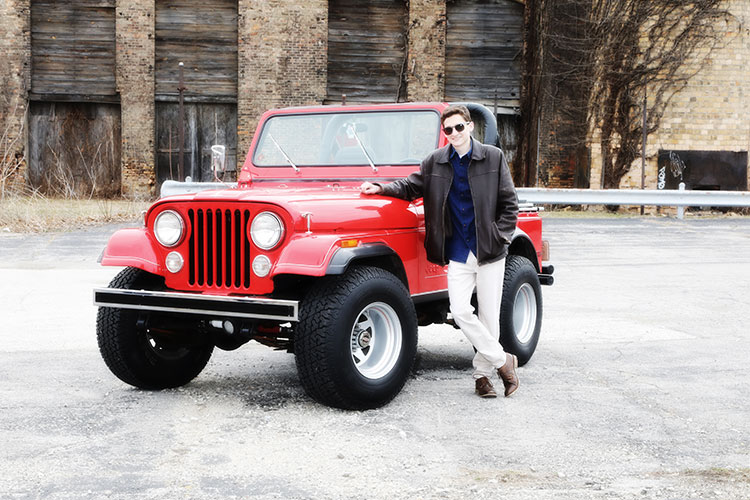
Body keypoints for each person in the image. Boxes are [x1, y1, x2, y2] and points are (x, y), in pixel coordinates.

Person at [360, 104, 520, 398]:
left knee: (489, 318)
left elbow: (510, 205)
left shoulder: (493, 157)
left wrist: (501, 237)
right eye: (448, 129)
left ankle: (482, 377)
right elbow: (410, 186)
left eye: (459, 127)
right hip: (457, 252)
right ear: (444, 133)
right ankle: (503, 361)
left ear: (471, 127)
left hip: (489, 251)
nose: (454, 133)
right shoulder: (435, 162)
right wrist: (381, 188)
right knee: (460, 311)